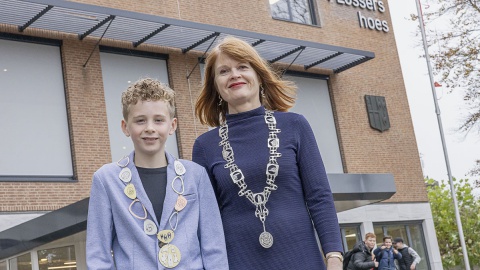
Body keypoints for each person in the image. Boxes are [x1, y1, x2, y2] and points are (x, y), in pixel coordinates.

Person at [192, 36, 343, 270]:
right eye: (224, 71)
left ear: (259, 76)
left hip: (302, 260)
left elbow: (319, 196)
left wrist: (334, 256)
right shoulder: (204, 146)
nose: (234, 75)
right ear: (216, 87)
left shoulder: (295, 125)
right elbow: (205, 221)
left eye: (243, 67)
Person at [86, 78, 229, 269]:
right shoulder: (106, 179)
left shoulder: (196, 175)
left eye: (159, 120)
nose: (150, 128)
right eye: (140, 120)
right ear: (125, 127)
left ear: (172, 125)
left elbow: (214, 247)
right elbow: (98, 256)